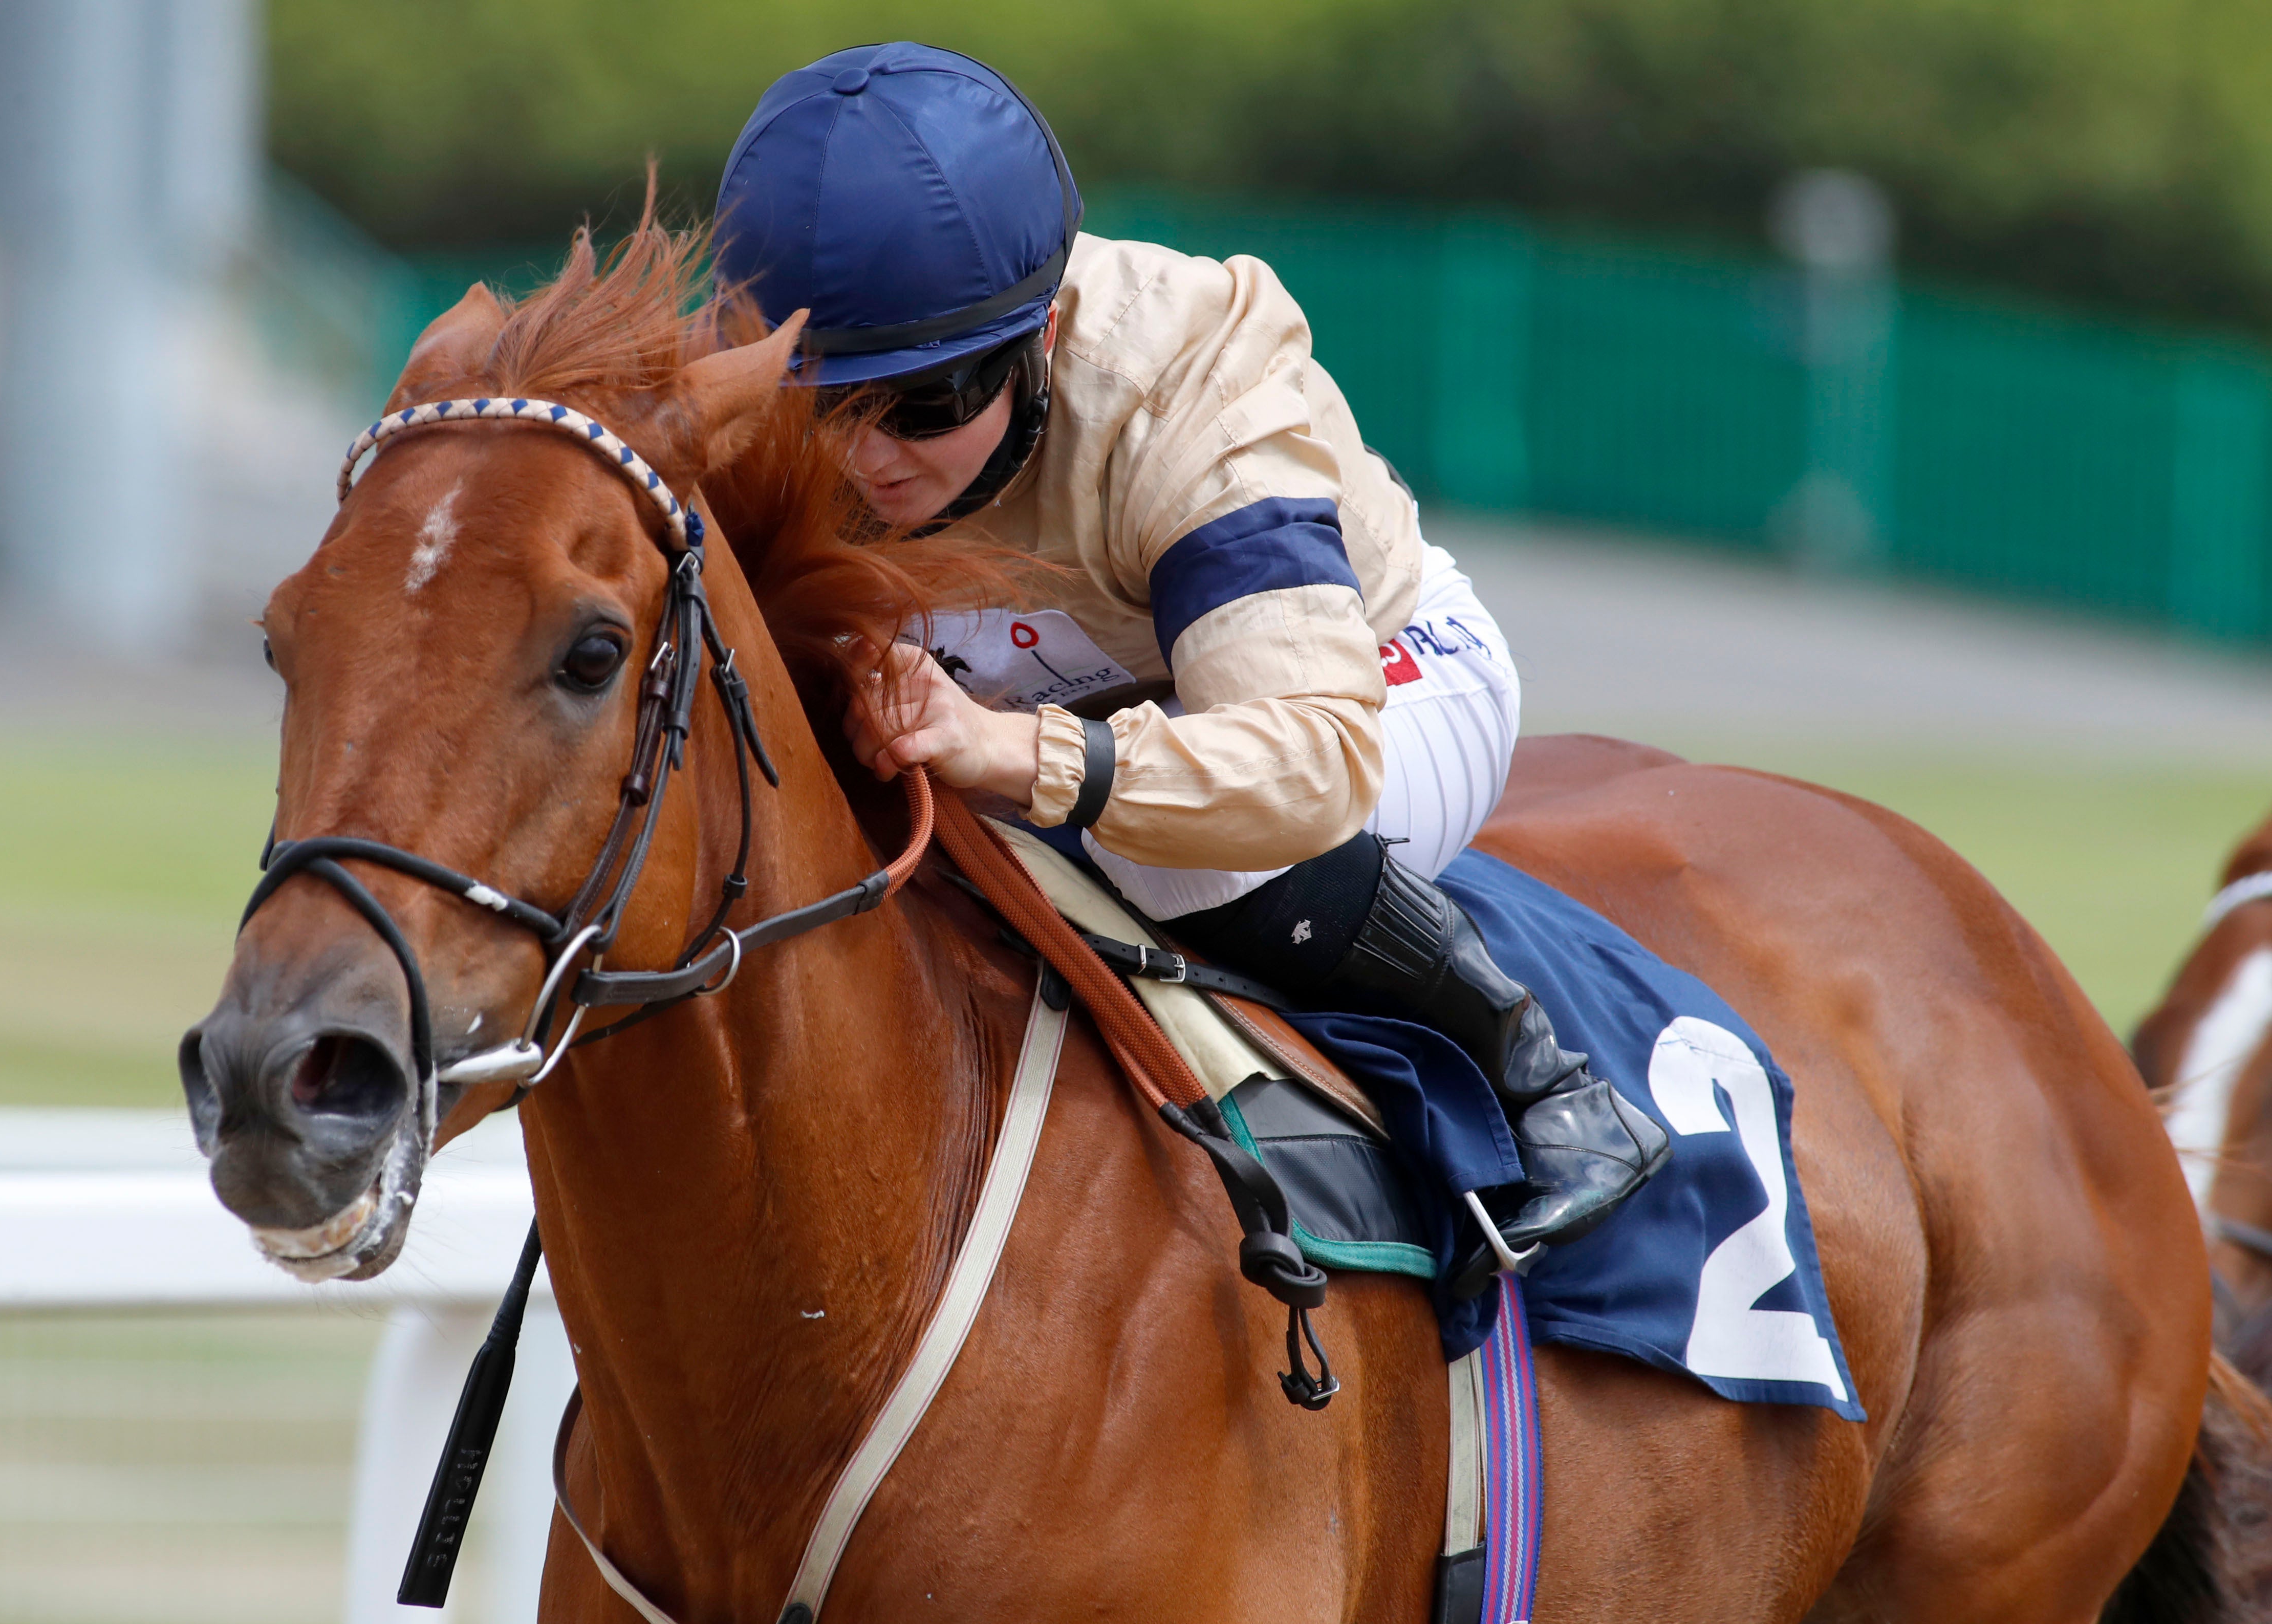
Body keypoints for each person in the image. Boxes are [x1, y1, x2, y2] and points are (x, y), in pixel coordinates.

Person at [714, 42, 1666, 1284]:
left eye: (927, 402)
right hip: (1080, 678)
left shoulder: (1185, 397)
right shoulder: (772, 403)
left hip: (1374, 681)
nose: (866, 458)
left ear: (1041, 332)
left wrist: (1009, 750)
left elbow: (1310, 760)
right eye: (820, 405)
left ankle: (1540, 1075)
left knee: (1155, 849)